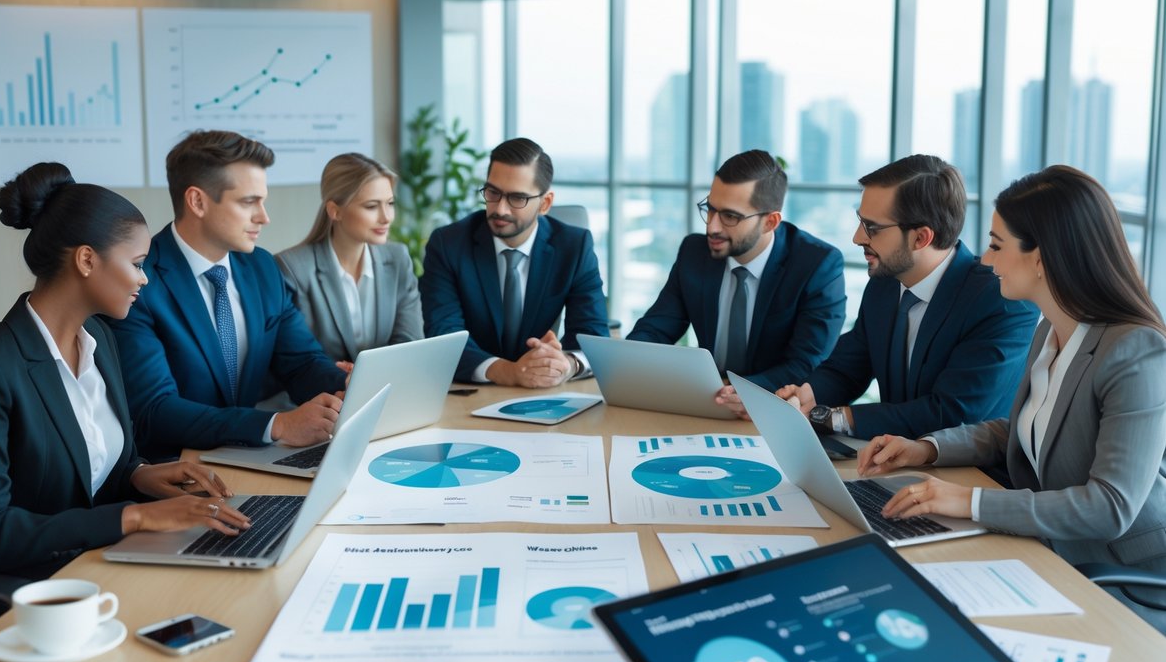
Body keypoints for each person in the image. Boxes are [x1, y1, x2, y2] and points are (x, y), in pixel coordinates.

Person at [856, 166, 1166, 629]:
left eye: (997, 245)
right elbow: (1021, 430)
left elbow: (1110, 506)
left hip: (1120, 579)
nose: (984, 260)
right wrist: (929, 448)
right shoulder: (1050, 331)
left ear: (1042, 258)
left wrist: (969, 502)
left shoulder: (1135, 351)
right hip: (1048, 550)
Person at [0, 163, 250, 580]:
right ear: (87, 260)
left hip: (107, 559)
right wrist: (136, 518)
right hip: (43, 585)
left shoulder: (99, 338)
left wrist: (141, 474)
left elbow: (92, 463)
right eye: (137, 263)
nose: (145, 279)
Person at [109, 130, 348, 460]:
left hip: (248, 458)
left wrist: (350, 385)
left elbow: (302, 363)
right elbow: (155, 411)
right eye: (249, 202)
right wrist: (276, 425)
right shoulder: (139, 279)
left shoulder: (262, 267)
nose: (264, 217)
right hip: (171, 469)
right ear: (198, 202)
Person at [769, 154, 1037, 439]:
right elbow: (848, 367)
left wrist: (833, 418)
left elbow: (950, 413)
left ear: (921, 238)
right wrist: (808, 394)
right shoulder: (885, 282)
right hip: (890, 461)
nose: (857, 237)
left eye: (872, 227)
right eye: (861, 221)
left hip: (967, 474)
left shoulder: (1001, 301)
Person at [627, 149, 845, 410]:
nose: (712, 227)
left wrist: (747, 392)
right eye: (710, 210)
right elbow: (655, 329)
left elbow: (806, 363)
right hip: (707, 405)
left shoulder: (817, 265)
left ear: (770, 222)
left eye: (730, 216)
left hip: (772, 411)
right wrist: (627, 362)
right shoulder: (694, 253)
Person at [419, 137, 609, 387]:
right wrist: (508, 371)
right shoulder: (448, 244)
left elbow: (592, 336)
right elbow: (444, 337)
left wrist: (566, 364)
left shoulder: (573, 246)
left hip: (546, 395)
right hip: (471, 390)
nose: (501, 209)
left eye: (517, 198)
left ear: (545, 204)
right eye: (493, 193)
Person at [276, 153, 423, 364]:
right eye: (372, 206)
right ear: (335, 211)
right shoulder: (292, 269)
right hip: (321, 393)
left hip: (387, 389)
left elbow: (410, 342)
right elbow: (295, 357)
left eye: (390, 203)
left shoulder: (398, 258)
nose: (386, 217)